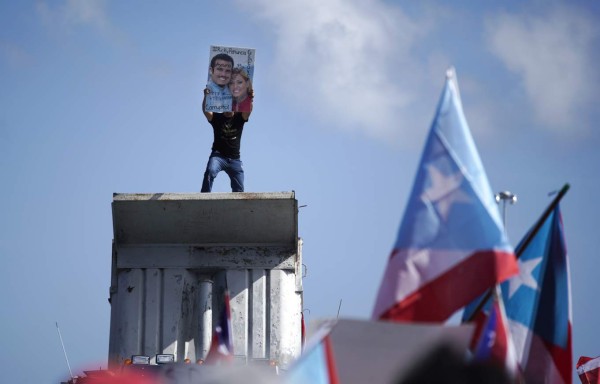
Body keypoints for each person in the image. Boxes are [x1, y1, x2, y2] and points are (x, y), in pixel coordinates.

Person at [200, 86, 253, 193]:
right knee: (210, 171)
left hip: (234, 159)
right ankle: (204, 196)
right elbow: (206, 111)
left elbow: (248, 111)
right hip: (218, 156)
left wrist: (250, 98)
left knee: (239, 189)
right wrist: (206, 96)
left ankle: (238, 206)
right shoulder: (217, 117)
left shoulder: (239, 118)